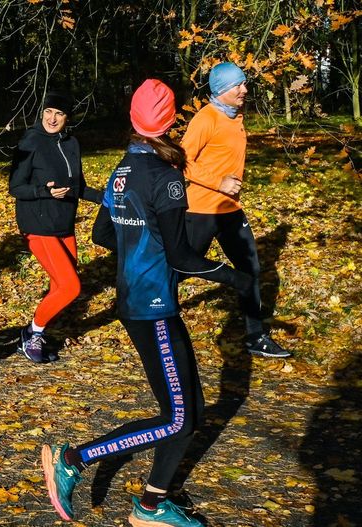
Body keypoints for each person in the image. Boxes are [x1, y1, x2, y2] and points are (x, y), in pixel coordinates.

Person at [41, 79, 257, 527]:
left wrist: (138, 245)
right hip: (151, 306)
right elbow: (182, 256)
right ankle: (75, 459)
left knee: (188, 410)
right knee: (179, 418)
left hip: (138, 298)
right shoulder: (166, 178)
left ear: (135, 119)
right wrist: (236, 278)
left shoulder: (123, 168)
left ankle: (153, 505)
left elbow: (103, 234)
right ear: (171, 120)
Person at [180, 62, 291, 358]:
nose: (244, 90)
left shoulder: (236, 115)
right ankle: (147, 304)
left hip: (230, 209)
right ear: (220, 90)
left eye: (244, 84)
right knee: (181, 268)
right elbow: (180, 160)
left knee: (251, 268)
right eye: (237, 86)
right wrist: (218, 181)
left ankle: (256, 337)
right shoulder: (206, 119)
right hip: (202, 209)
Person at [9, 91, 102, 363]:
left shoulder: (72, 143)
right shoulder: (30, 141)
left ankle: (38, 332)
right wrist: (44, 192)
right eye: (49, 112)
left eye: (59, 114)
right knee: (70, 286)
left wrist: (106, 198)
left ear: (67, 118)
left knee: (59, 286)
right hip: (37, 224)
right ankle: (32, 333)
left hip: (64, 224)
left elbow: (78, 185)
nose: (53, 118)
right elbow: (15, 187)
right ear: (42, 113)